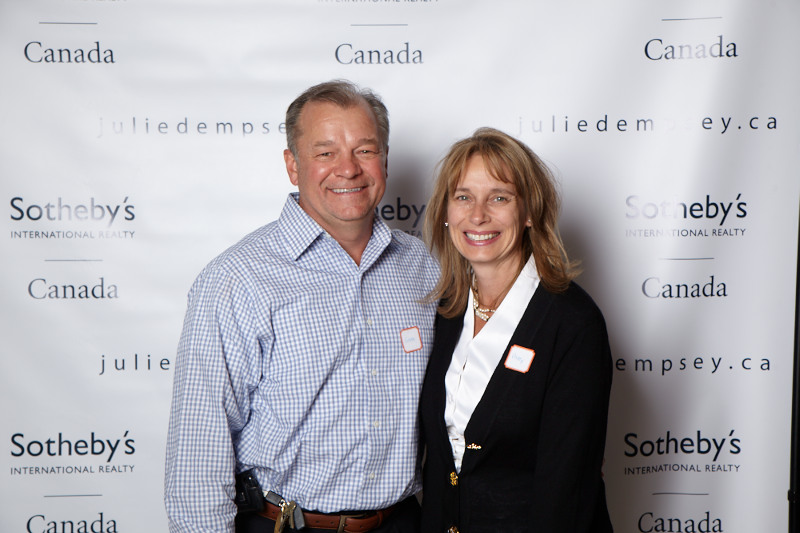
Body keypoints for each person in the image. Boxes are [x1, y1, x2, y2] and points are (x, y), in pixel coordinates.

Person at [164, 80, 439, 533]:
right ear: (293, 165)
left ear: (385, 160)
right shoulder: (237, 279)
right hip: (285, 525)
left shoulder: (424, 268)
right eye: (325, 152)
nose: (348, 169)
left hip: (403, 521)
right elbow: (199, 450)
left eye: (365, 150)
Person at [419, 127, 613, 532]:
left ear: (528, 213)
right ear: (445, 212)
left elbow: (568, 490)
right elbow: (442, 465)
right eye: (463, 197)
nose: (477, 215)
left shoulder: (573, 323)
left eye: (499, 198)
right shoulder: (447, 312)